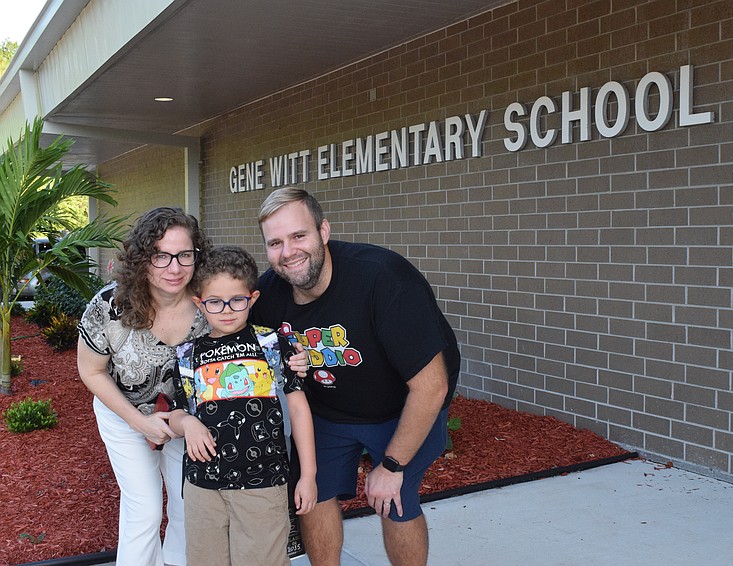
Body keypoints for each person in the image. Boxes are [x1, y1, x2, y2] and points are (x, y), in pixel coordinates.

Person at [252, 187, 460, 566]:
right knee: (312, 492)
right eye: (275, 242)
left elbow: (432, 387)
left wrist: (392, 466)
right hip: (329, 409)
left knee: (394, 499)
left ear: (324, 231)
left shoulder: (384, 278)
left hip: (403, 406)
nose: (288, 252)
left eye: (299, 236)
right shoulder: (267, 294)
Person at [77, 207, 212, 566]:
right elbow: (91, 372)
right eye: (161, 255)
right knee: (146, 509)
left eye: (185, 255)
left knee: (189, 504)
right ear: (142, 257)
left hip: (187, 419)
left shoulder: (209, 303)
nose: (175, 267)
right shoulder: (110, 305)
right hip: (123, 412)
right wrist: (139, 423)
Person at [168, 245, 317, 566]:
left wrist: (308, 475)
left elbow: (299, 410)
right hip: (203, 487)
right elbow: (176, 415)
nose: (226, 309)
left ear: (252, 298)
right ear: (199, 303)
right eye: (214, 301)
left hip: (263, 484)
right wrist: (188, 425)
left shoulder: (273, 344)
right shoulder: (186, 354)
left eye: (237, 299)